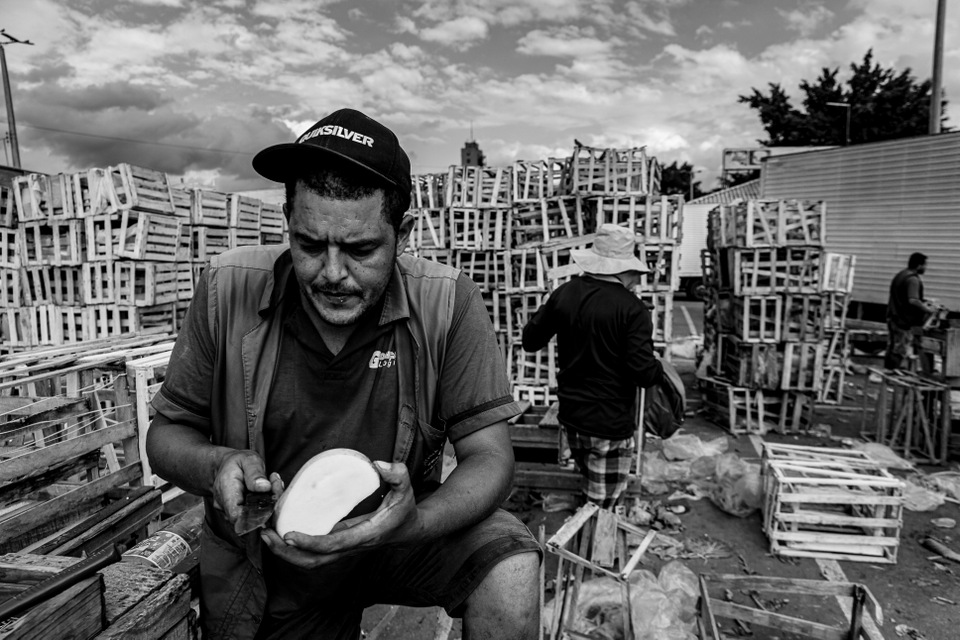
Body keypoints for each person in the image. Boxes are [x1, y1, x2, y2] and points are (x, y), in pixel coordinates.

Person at [146, 108, 541, 640]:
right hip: (275, 556)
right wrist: (215, 464)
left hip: (400, 534)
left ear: (402, 234)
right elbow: (166, 436)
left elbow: (490, 457)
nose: (332, 273)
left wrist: (414, 523)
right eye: (309, 245)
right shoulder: (227, 289)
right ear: (288, 221)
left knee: (510, 569)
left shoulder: (447, 302)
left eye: (360, 250)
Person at [521, 224, 663, 508]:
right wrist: (658, 365)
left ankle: (583, 530)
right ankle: (590, 537)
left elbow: (530, 341)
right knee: (601, 510)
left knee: (588, 492)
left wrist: (552, 311)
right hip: (608, 423)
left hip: (572, 417)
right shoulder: (633, 309)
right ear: (624, 269)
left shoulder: (564, 294)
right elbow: (643, 373)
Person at [885, 252, 935, 370]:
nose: (926, 268)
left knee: (893, 346)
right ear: (919, 265)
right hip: (903, 320)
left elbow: (903, 296)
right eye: (925, 265)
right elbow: (913, 300)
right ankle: (894, 373)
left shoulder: (901, 275)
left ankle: (888, 371)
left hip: (894, 316)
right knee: (900, 349)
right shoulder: (913, 279)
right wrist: (928, 309)